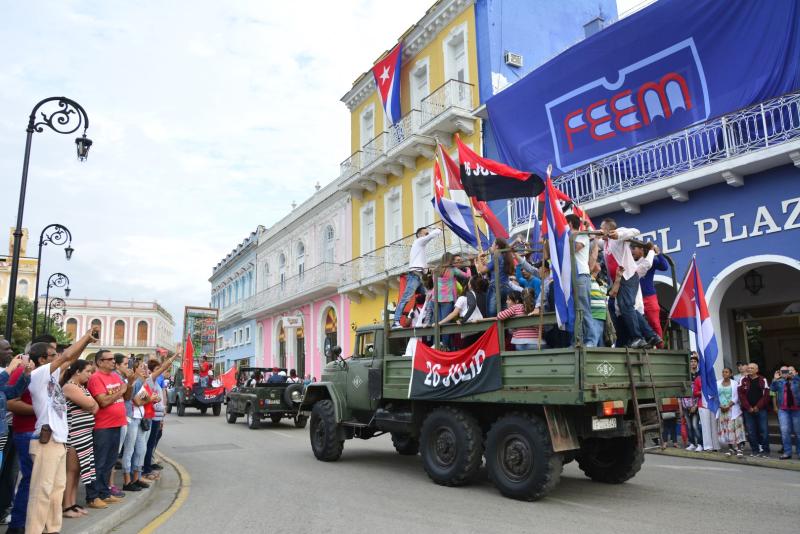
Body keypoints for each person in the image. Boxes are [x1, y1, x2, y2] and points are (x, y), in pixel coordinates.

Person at [24, 328, 97, 534]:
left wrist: (86, 343)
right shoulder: (39, 375)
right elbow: (66, 356)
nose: (58, 357)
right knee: (42, 492)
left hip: (59, 441)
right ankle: (34, 531)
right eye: (52, 355)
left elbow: (69, 358)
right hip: (45, 441)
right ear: (40, 360)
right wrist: (85, 337)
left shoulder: (53, 376)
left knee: (56, 491)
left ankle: (52, 529)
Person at [600, 219, 660, 349]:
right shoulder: (604, 243)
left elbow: (635, 231)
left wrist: (618, 234)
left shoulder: (617, 236)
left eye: (602, 228)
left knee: (627, 306)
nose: (600, 231)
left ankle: (637, 337)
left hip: (628, 275)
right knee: (626, 308)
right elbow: (593, 238)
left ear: (609, 229)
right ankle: (651, 336)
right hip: (620, 279)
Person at [87, 349, 131, 507]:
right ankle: (93, 496)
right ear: (100, 362)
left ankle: (104, 493)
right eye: (110, 359)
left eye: (114, 359)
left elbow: (126, 396)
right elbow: (103, 402)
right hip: (102, 426)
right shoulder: (95, 378)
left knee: (110, 461)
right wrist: (121, 390)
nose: (113, 361)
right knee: (99, 462)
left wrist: (130, 382)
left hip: (117, 424)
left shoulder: (114, 376)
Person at [61, 359, 99, 516]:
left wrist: (89, 403)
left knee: (77, 471)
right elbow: (91, 405)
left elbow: (95, 408)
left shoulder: (81, 388)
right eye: (88, 371)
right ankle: (66, 506)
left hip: (84, 434)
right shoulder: (70, 386)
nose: (90, 375)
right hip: (74, 435)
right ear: (77, 371)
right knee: (71, 471)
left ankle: (73, 502)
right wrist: (89, 404)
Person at [393, 226, 443, 327]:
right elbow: (431, 236)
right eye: (426, 233)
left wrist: (433, 268)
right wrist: (438, 230)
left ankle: (428, 319)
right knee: (406, 298)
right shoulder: (418, 242)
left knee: (430, 296)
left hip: (419, 276)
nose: (427, 235)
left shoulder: (420, 249)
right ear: (419, 235)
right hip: (415, 276)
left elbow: (423, 267)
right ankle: (395, 321)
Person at [121, 360, 155, 491]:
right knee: (129, 450)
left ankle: (136, 478)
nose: (144, 370)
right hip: (131, 418)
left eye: (145, 367)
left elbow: (144, 398)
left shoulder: (141, 382)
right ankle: (127, 481)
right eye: (141, 367)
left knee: (141, 450)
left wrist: (148, 399)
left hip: (139, 419)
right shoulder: (132, 382)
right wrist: (149, 399)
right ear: (134, 369)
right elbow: (137, 401)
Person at [142, 354, 178, 479]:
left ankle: (147, 467)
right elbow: (164, 367)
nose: (160, 371)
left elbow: (160, 399)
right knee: (147, 444)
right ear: (151, 371)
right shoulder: (149, 380)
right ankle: (145, 470)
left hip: (156, 417)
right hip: (151, 417)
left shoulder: (156, 382)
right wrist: (176, 355)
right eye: (157, 369)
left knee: (151, 444)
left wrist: (162, 415)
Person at [566, 214, 592, 346]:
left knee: (584, 309)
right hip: (572, 276)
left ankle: (590, 340)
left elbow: (573, 248)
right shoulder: (570, 237)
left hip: (581, 275)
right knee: (576, 310)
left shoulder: (582, 235)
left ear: (570, 224)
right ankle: (578, 340)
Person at [636, 243, 668, 341]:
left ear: (641, 250)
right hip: (635, 297)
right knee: (637, 322)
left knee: (654, 322)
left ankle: (660, 346)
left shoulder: (650, 260)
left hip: (649, 297)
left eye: (634, 248)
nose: (631, 251)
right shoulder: (629, 262)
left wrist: (659, 253)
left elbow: (664, 267)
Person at [738, 363, 770, 457]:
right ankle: (755, 450)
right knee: (751, 431)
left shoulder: (763, 379)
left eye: (752, 368)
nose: (749, 369)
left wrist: (757, 407)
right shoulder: (743, 380)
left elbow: (766, 395)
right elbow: (741, 395)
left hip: (761, 410)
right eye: (748, 368)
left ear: (757, 370)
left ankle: (765, 451)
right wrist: (748, 407)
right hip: (748, 410)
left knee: (764, 431)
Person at [477, 238, 515, 317]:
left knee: (491, 314)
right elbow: (494, 268)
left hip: (496, 287)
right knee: (504, 313)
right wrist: (486, 263)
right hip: (506, 287)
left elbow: (482, 271)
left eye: (492, 244)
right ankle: (504, 330)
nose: (491, 246)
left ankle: (495, 329)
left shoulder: (497, 256)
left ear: (497, 246)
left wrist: (479, 259)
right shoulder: (505, 256)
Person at [770, 366, 800, 459]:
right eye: (786, 371)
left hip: (796, 409)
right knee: (785, 431)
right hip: (783, 410)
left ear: (796, 372)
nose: (788, 372)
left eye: (791, 371)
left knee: (798, 432)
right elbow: (772, 389)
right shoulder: (780, 381)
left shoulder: (797, 380)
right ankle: (787, 452)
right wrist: (775, 379)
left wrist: (794, 377)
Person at [716, 367, 746, 457]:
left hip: (733, 409)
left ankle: (739, 448)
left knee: (736, 429)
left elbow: (736, 397)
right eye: (723, 372)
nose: (724, 373)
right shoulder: (717, 383)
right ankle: (730, 448)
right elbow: (715, 396)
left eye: (726, 372)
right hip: (722, 409)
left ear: (730, 374)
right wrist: (720, 405)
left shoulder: (735, 383)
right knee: (726, 429)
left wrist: (729, 405)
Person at [694, 364, 720, 453]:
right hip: (702, 404)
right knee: (705, 426)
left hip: (712, 404)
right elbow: (695, 393)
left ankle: (715, 445)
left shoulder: (712, 380)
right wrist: (702, 392)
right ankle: (708, 446)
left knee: (713, 425)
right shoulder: (698, 379)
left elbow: (715, 390)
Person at [680, 354, 703, 451]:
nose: (693, 363)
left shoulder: (700, 375)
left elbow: (701, 391)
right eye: (691, 361)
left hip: (695, 404)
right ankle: (692, 443)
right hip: (685, 404)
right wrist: (680, 406)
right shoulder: (685, 375)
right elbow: (680, 392)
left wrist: (696, 405)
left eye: (695, 361)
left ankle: (700, 444)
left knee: (695, 425)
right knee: (689, 426)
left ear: (697, 363)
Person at [586, 263, 608, 348]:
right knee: (593, 341)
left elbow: (604, 298)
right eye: (595, 261)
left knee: (600, 343)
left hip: (602, 316)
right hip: (593, 314)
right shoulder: (586, 278)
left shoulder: (602, 283)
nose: (598, 263)